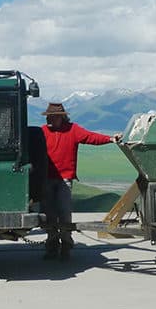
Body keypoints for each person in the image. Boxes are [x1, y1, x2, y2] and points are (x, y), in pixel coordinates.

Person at [40, 102, 119, 260]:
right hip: (46, 179)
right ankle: (52, 245)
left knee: (64, 213)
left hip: (65, 179)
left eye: (53, 116)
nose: (50, 119)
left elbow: (91, 137)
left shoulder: (73, 130)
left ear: (61, 117)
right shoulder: (42, 131)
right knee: (49, 214)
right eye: (48, 116)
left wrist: (110, 138)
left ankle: (66, 244)